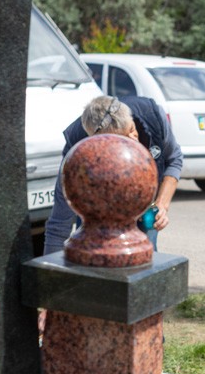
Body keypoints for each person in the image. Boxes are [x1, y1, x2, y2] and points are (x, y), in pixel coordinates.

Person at [43, 95, 183, 255]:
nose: (133, 141)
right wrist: (49, 274)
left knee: (145, 254)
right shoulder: (78, 152)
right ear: (99, 143)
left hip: (144, 208)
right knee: (96, 256)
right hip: (97, 213)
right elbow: (59, 223)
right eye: (122, 141)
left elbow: (174, 159)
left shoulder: (152, 114)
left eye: (132, 130)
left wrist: (161, 205)